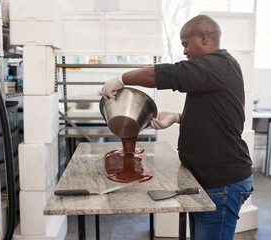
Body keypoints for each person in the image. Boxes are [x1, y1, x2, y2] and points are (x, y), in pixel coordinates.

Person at [101, 14, 253, 240]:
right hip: (212, 179)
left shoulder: (216, 65)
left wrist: (121, 78)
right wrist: (177, 117)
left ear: (203, 38)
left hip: (222, 182)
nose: (184, 51)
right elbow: (218, 115)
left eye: (185, 44)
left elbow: (168, 74)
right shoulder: (218, 68)